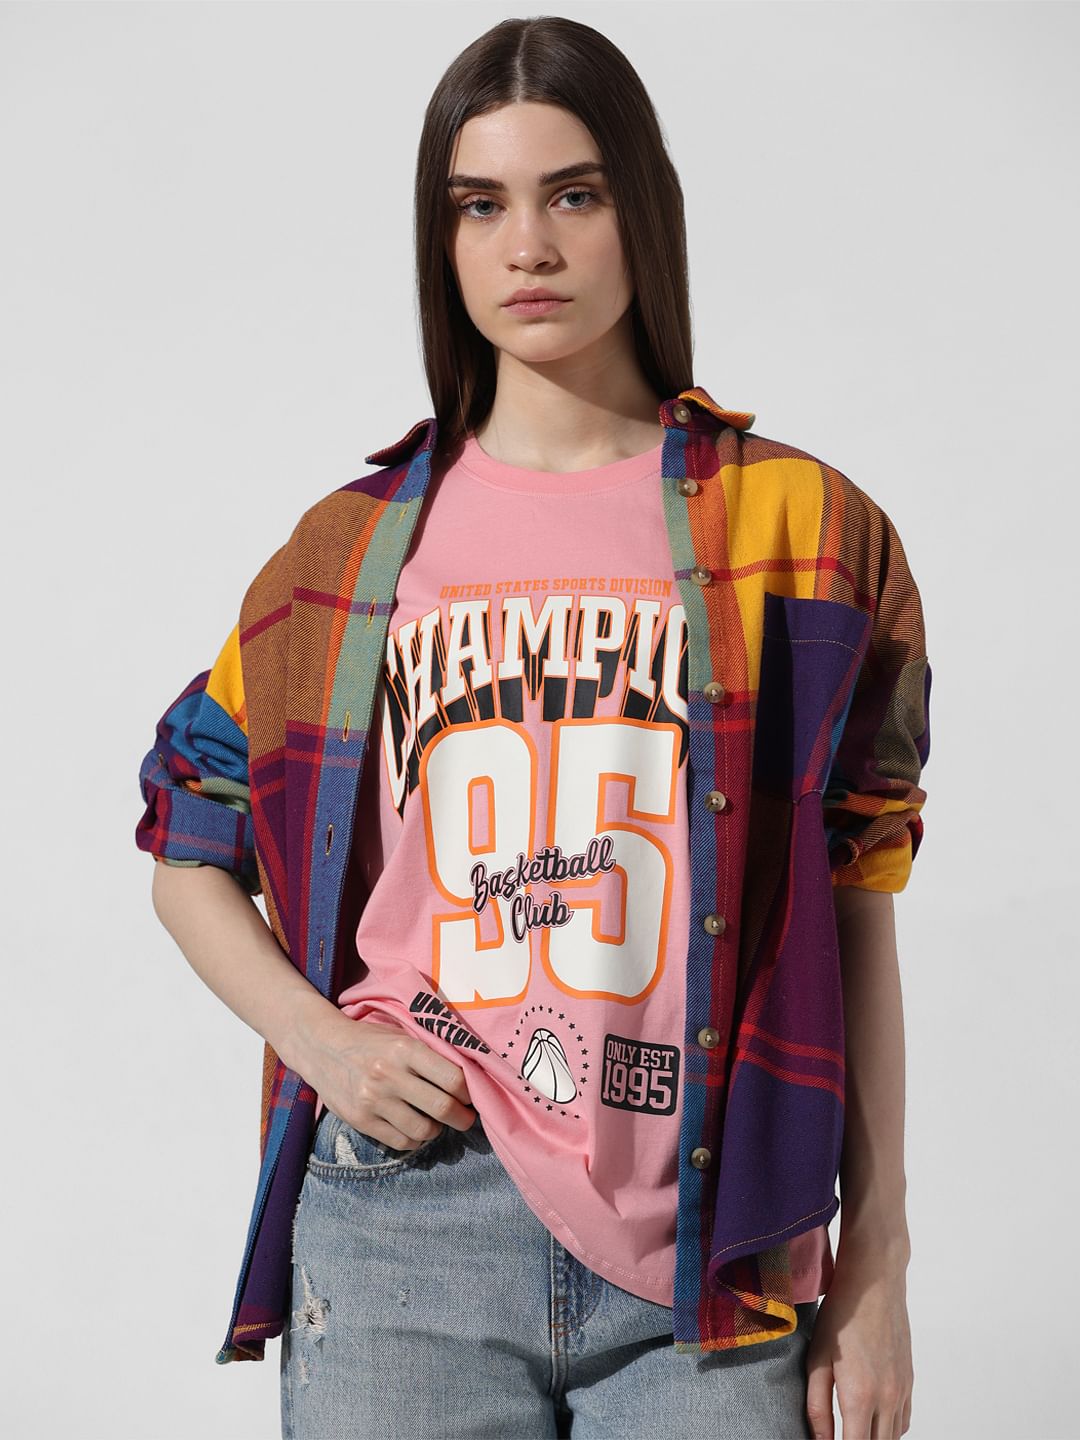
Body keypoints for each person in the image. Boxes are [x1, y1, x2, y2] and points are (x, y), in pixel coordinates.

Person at [138, 16, 928, 1440]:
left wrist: (877, 1259)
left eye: (574, 193)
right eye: (479, 205)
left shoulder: (804, 530)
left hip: (707, 1248)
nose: (529, 247)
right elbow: (185, 838)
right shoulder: (345, 553)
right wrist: (322, 1045)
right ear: (440, 240)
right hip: (404, 1223)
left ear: (644, 210)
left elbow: (858, 898)